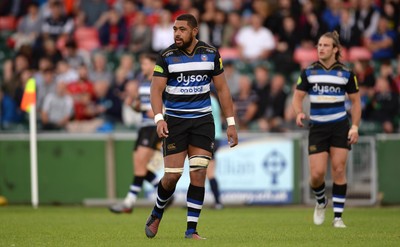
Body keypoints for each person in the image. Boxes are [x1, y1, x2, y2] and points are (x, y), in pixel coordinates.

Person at [145, 13, 238, 240]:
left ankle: (191, 230)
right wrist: (159, 119)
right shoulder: (166, 56)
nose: (177, 33)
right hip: (175, 122)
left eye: (182, 29)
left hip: (202, 122)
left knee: (199, 173)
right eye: (175, 29)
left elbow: (223, 90)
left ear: (194, 31)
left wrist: (231, 123)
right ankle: (158, 211)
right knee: (172, 177)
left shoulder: (211, 54)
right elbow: (156, 91)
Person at [292, 31, 361, 228]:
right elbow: (297, 97)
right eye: (319, 45)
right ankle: (321, 201)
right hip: (317, 127)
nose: (321, 48)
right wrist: (298, 113)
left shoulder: (346, 73)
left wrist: (354, 126)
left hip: (340, 126)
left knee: (339, 170)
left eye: (325, 45)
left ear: (335, 49)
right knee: (316, 174)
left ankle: (338, 217)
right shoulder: (309, 72)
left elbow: (356, 104)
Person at [109, 53, 164, 213]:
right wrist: (133, 104)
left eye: (146, 64)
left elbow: (168, 103)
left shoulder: (161, 82)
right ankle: (165, 193)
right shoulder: (142, 82)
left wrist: (158, 113)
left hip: (154, 127)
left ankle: (128, 202)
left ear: (154, 65)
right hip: (143, 127)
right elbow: (141, 107)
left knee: (140, 165)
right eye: (142, 64)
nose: (143, 67)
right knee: (139, 166)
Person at [208, 93, 223, 209]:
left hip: (211, 137)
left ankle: (218, 202)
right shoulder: (214, 101)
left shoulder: (209, 100)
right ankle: (218, 201)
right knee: (204, 170)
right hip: (215, 136)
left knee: (208, 171)